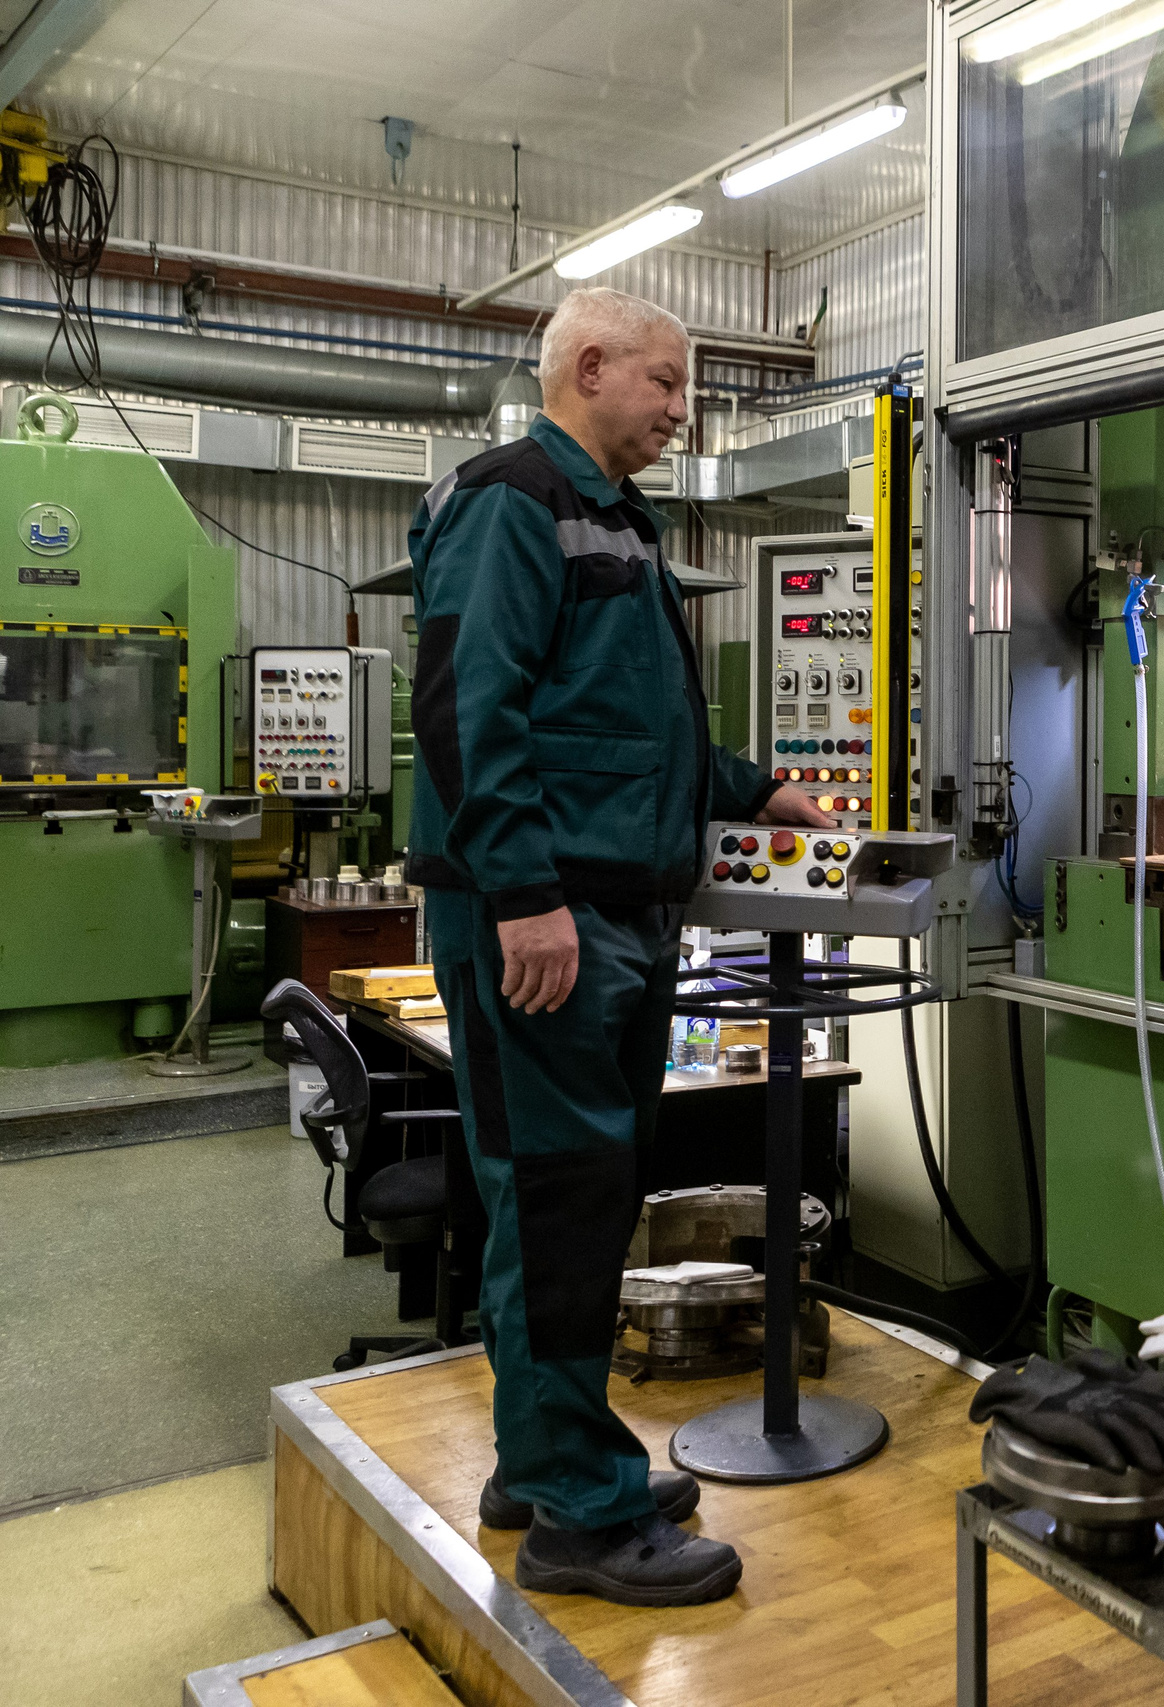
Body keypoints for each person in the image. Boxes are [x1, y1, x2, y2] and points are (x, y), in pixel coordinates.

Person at [406, 285, 831, 1606]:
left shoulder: (619, 521)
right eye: (666, 381)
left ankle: (540, 1462)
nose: (682, 409)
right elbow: (468, 707)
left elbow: (629, 724)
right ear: (589, 367)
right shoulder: (515, 502)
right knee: (565, 1202)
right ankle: (582, 1520)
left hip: (607, 912)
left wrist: (753, 787)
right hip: (553, 917)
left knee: (566, 1196)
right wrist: (524, 893)